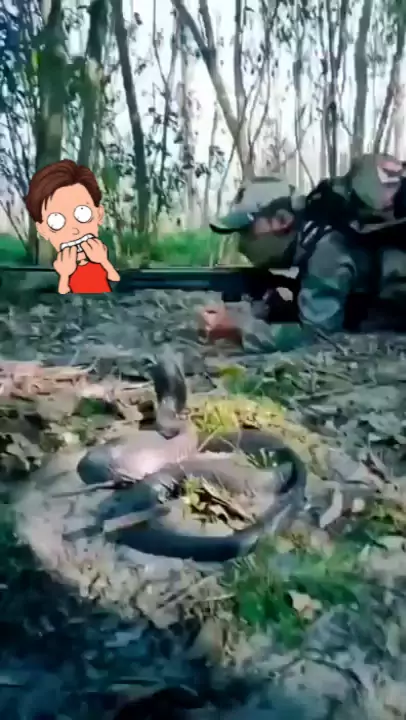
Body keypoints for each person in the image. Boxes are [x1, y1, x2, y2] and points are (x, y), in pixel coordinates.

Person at [199, 154, 406, 352]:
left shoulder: (326, 247)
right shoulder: (316, 237)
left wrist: (238, 329)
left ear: (281, 220)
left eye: (247, 231)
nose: (242, 244)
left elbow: (314, 336)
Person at [24, 159, 120, 294]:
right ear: (43, 230)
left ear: (98, 214)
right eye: (56, 221)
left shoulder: (100, 262)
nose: (74, 230)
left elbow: (115, 281)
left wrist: (103, 261)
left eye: (82, 213)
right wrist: (64, 275)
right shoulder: (59, 272)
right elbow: (64, 295)